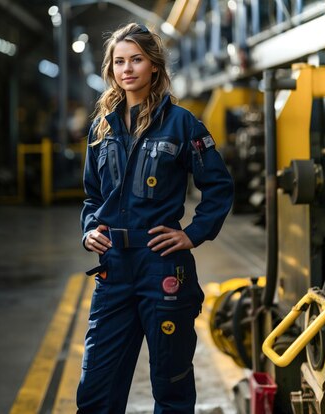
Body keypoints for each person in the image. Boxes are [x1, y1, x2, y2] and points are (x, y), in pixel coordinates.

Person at [78, 23, 234, 413]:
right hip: (114, 268)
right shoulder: (102, 127)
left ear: (154, 66)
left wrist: (193, 235)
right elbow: (92, 196)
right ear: (111, 69)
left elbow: (219, 187)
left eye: (136, 59)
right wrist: (88, 230)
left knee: (172, 385)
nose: (127, 68)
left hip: (162, 266)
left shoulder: (182, 124)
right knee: (96, 387)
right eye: (119, 61)